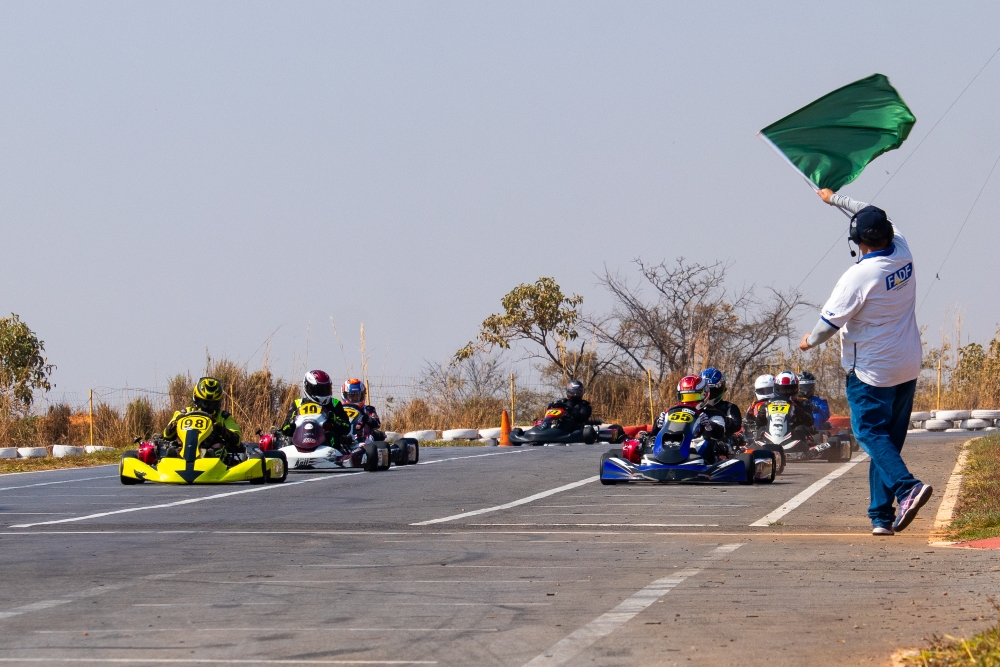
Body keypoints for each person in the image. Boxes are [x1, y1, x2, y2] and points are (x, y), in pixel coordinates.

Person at [799, 188, 931, 536]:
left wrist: (807, 342)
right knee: (887, 441)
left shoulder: (858, 276)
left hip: (872, 372)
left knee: (869, 433)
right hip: (907, 365)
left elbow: (828, 326)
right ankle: (881, 517)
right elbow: (868, 209)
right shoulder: (902, 248)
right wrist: (834, 199)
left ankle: (908, 488)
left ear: (857, 242)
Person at [654, 375, 728, 463]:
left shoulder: (714, 413)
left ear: (705, 395)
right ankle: (660, 459)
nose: (689, 401)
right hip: (673, 445)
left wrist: (709, 424)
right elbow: (654, 434)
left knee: (704, 444)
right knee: (648, 443)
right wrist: (658, 424)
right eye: (686, 397)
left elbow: (720, 434)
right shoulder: (671, 412)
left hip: (700, 454)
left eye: (694, 397)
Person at [162, 377, 242, 458]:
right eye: (204, 402)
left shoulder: (224, 417)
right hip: (187, 449)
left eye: (212, 403)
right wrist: (175, 423)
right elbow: (166, 435)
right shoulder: (184, 413)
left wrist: (222, 430)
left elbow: (237, 439)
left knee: (219, 448)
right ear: (196, 399)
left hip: (212, 454)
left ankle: (207, 458)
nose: (208, 406)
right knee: (172, 450)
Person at [278, 370, 352, 451]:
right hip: (301, 441)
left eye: (326, 389)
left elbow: (347, 428)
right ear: (309, 388)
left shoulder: (335, 404)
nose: (324, 393)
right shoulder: (298, 403)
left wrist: (334, 420)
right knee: (289, 439)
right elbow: (284, 429)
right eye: (320, 390)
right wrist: (292, 422)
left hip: (328, 447)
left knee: (331, 435)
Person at [754, 371, 816, 439]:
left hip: (794, 438)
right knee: (761, 430)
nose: (786, 392)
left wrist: (802, 415)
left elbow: (810, 422)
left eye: (789, 390)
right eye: (783, 390)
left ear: (796, 389)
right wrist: (761, 417)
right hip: (771, 437)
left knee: (800, 428)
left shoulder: (802, 403)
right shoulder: (767, 405)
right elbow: (758, 424)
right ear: (776, 388)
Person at [699, 368, 743, 442]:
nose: (709, 395)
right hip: (696, 442)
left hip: (721, 445)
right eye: (705, 391)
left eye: (713, 391)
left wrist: (715, 419)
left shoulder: (729, 407)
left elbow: (736, 425)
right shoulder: (696, 408)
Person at [341, 377, 384, 441]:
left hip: (363, 440)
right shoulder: (339, 409)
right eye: (352, 395)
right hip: (343, 439)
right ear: (345, 395)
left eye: (357, 395)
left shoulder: (368, 409)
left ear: (362, 395)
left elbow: (377, 423)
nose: (355, 398)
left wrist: (367, 419)